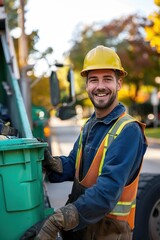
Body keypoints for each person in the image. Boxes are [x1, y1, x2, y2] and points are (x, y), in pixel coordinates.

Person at [21, 45, 147, 240]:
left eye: (107, 79)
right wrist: (51, 163)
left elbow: (106, 194)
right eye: (93, 80)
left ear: (119, 83)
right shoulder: (90, 125)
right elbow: (75, 165)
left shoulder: (128, 130)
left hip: (108, 232)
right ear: (87, 85)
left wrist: (58, 220)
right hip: (82, 230)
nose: (100, 86)